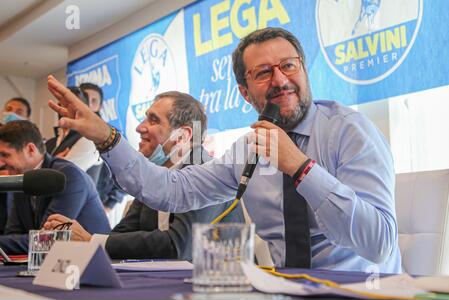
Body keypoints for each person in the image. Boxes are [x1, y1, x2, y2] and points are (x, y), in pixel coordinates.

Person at [47, 27, 401, 273]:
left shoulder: (350, 131)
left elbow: (379, 244)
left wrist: (301, 168)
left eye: (288, 66)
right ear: (245, 93)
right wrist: (106, 136)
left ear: (304, 70)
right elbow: (169, 190)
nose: (279, 80)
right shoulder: (248, 150)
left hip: (359, 290)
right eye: (263, 72)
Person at [43, 91, 243, 260]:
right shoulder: (153, 176)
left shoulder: (206, 171)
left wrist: (90, 240)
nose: (139, 127)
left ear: (182, 136)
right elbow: (122, 234)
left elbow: (179, 246)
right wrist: (85, 240)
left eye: (153, 120)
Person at [0, 121, 110, 254]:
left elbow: (47, 239)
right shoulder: (22, 177)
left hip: (92, 264)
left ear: (30, 149)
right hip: (49, 263)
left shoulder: (68, 176)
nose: (1, 162)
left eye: (5, 155)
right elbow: (13, 233)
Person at [80, 83, 126, 222]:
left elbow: (126, 173)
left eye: (93, 101)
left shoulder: (110, 135)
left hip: (97, 208)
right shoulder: (66, 132)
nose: (88, 104)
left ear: (100, 105)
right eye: (84, 98)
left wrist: (108, 206)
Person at [45, 87, 102, 173]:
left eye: (73, 105)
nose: (66, 108)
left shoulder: (89, 140)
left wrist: (49, 163)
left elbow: (62, 174)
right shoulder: (49, 143)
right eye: (63, 103)